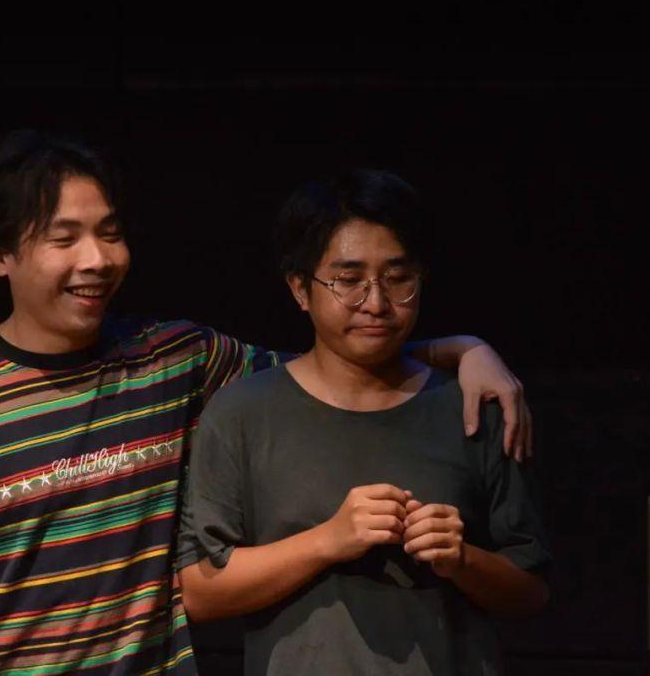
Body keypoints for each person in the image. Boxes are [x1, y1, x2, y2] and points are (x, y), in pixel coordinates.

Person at [0, 132, 532, 675]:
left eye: (109, 233)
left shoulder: (176, 358)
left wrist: (463, 349)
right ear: (0, 256)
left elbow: (337, 362)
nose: (96, 259)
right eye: (63, 238)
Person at [178, 170, 551, 674]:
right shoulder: (242, 413)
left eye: (398, 278)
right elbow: (200, 593)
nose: (376, 303)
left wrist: (462, 559)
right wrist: (328, 540)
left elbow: (530, 593)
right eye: (348, 281)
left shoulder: (471, 404)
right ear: (300, 289)